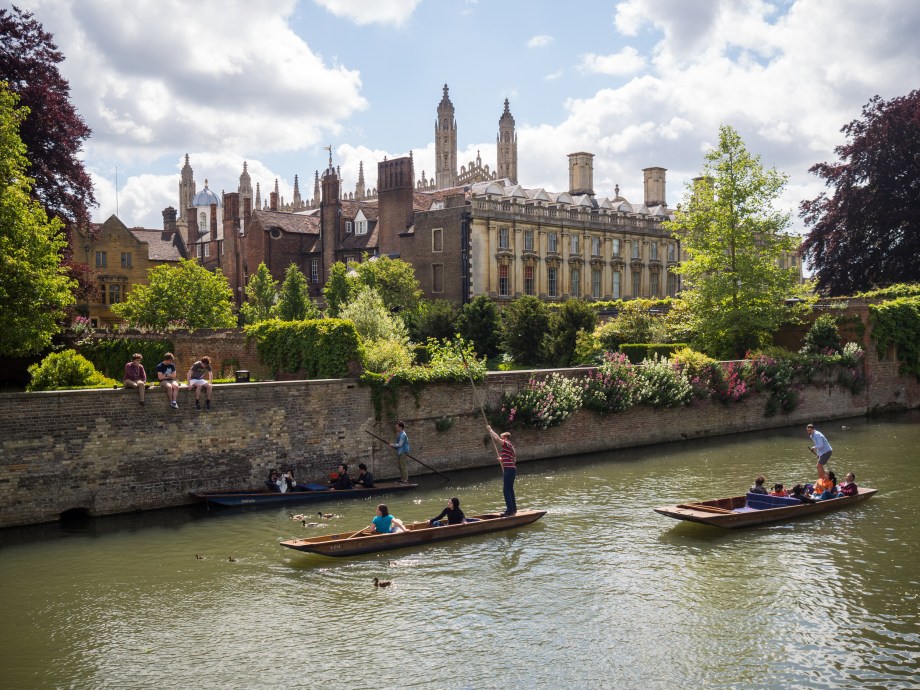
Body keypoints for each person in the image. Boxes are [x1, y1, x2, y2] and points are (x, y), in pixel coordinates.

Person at [487, 425, 517, 516]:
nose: (501, 439)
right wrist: (502, 460)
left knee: (506, 490)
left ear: (505, 438)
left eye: (502, 438)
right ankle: (513, 509)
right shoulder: (510, 447)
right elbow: (513, 460)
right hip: (511, 469)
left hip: (509, 470)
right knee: (510, 489)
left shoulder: (507, 444)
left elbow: (496, 439)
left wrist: (490, 430)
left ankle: (509, 511)